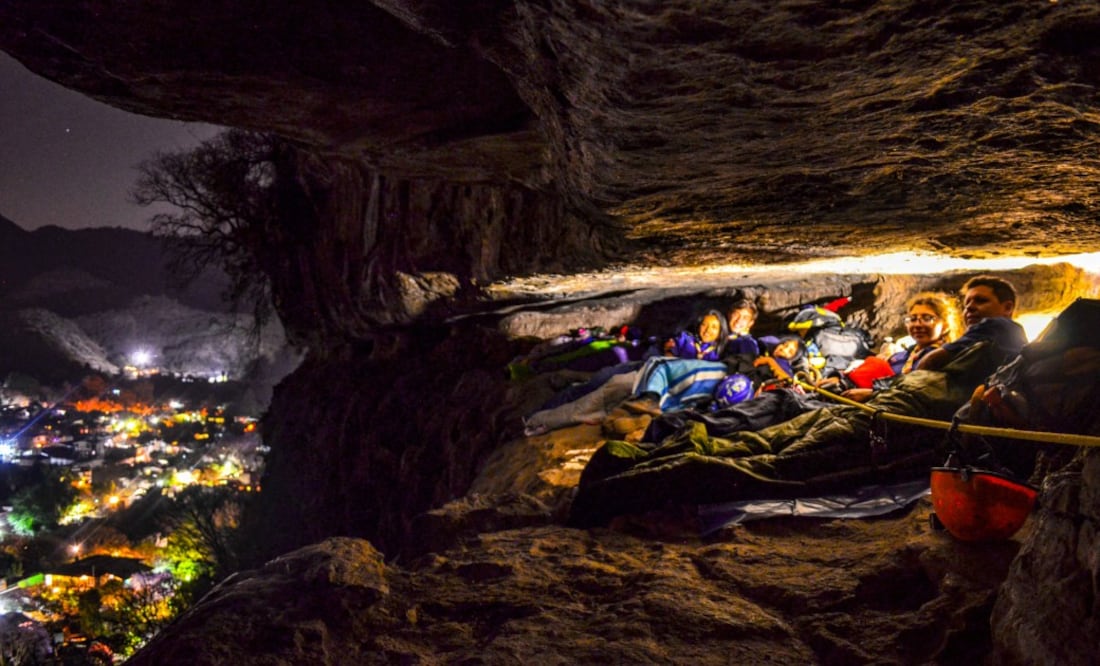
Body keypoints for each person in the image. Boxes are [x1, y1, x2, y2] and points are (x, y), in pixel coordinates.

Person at [836, 291, 963, 402]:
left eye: (927, 318)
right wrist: (837, 379)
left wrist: (873, 394)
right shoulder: (902, 355)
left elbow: (923, 393)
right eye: (912, 319)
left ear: (945, 325)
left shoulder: (946, 358)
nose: (917, 324)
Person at [918, 275, 1026, 371]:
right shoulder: (1011, 333)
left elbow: (930, 361)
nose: (969, 307)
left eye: (981, 301)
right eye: (966, 304)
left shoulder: (996, 326)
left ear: (1007, 308)